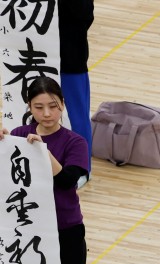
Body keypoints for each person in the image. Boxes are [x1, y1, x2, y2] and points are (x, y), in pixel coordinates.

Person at [2, 77, 91, 264]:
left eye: (53, 106)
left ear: (63, 104)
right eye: (39, 107)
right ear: (29, 107)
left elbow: (68, 180)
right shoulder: (19, 134)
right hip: (29, 229)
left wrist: (43, 153)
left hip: (65, 231)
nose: (47, 114)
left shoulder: (74, 141)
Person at [59, 0, 96, 174]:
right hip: (34, 55)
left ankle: (82, 169)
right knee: (33, 108)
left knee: (78, 115)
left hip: (70, 59)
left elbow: (85, 14)